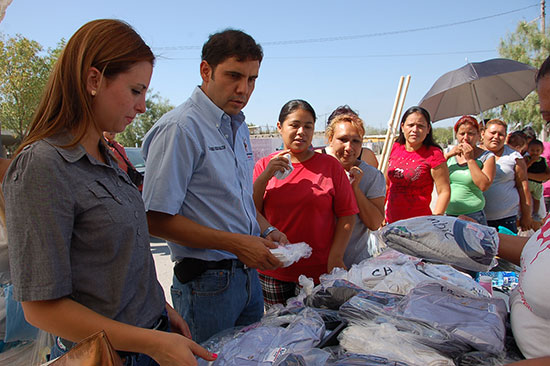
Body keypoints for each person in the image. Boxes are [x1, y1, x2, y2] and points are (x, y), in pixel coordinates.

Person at [2, 19, 215, 366]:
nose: (144, 106)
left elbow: (117, 260)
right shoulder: (43, 165)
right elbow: (41, 309)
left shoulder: (107, 156)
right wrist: (151, 342)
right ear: (93, 80)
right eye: (135, 90)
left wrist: (158, 309)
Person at [141, 29, 285, 343]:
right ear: (206, 70)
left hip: (247, 278)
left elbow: (239, 201)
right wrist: (237, 243)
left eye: (252, 79)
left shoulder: (239, 126)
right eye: (233, 76)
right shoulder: (180, 128)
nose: (243, 89)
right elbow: (154, 218)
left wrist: (265, 230)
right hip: (206, 285)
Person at [253, 100, 358, 306]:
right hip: (273, 269)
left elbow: (347, 214)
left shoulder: (330, 166)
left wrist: (335, 258)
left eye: (308, 126)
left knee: (319, 332)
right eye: (294, 125)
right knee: (278, 331)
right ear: (280, 127)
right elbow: (252, 210)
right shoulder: (264, 165)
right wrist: (266, 176)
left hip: (319, 272)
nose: (301, 131)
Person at [322, 113, 385, 267]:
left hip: (356, 265)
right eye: (343, 139)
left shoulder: (372, 176)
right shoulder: (318, 171)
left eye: (356, 141)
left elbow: (375, 223)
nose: (349, 147)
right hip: (317, 263)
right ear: (330, 139)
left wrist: (354, 189)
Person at [385, 106, 450, 223]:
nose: (415, 130)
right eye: (410, 125)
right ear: (402, 126)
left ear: (428, 129)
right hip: (391, 221)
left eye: (420, 126)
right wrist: (379, 213)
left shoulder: (434, 154)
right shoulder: (393, 148)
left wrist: (436, 218)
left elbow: (444, 191)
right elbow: (386, 185)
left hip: (419, 224)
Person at [482, 119, 532, 234]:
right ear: (483, 134)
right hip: (477, 218)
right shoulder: (473, 154)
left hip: (506, 219)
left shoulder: (514, 157)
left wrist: (526, 216)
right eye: (492, 133)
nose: (496, 137)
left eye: (501, 134)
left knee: (505, 252)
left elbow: (523, 187)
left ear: (505, 137)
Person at [444, 116, 495, 225]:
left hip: (473, 215)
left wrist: (470, 159)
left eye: (471, 134)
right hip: (448, 214)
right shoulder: (450, 155)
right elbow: (433, 174)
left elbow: (483, 185)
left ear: (478, 135)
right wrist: (448, 155)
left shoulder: (486, 156)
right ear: (456, 135)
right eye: (462, 134)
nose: (466, 138)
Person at [525, 139, 550, 222]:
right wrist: (531, 162)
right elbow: (524, 169)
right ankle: (527, 214)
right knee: (526, 199)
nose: (535, 153)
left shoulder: (543, 160)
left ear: (542, 151)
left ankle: (535, 214)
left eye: (537, 150)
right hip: (528, 184)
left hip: (538, 185)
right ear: (528, 149)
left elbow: (547, 172)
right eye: (532, 150)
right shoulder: (526, 158)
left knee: (537, 200)